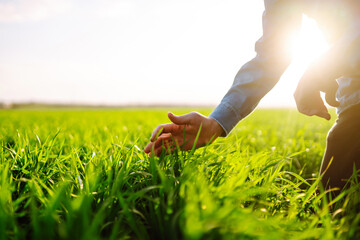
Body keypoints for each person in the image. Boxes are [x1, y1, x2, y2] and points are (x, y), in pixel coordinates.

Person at [144, 0, 360, 192]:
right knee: (332, 197)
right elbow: (272, 56)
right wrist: (215, 122)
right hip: (354, 91)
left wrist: (320, 70)